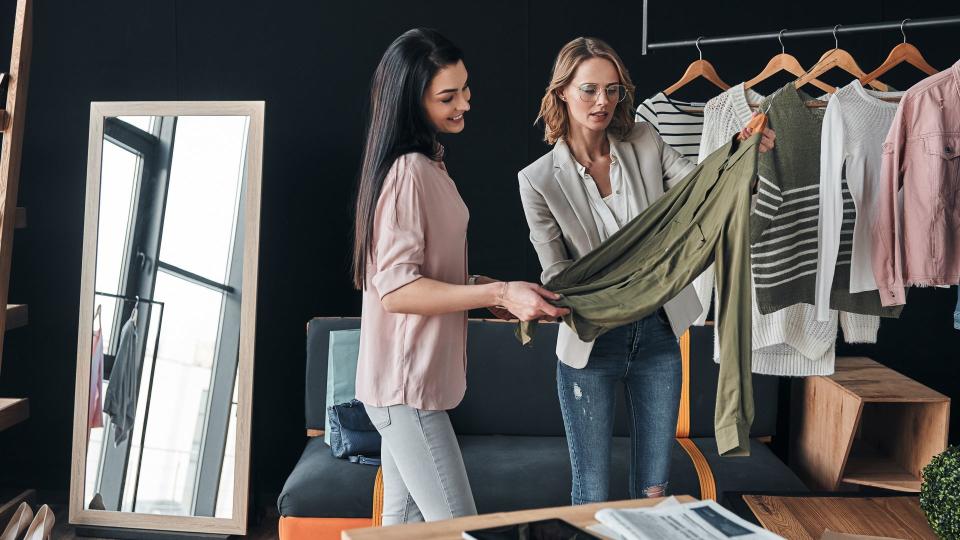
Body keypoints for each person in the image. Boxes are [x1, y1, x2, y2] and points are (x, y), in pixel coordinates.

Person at [518, 37, 775, 504]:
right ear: (561, 93)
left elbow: (702, 193)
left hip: (658, 331)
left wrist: (743, 156)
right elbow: (557, 273)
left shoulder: (644, 141)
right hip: (590, 343)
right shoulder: (536, 180)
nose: (603, 102)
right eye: (589, 90)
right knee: (591, 491)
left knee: (655, 490)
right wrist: (619, 283)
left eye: (613, 90)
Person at [351, 28, 568, 525]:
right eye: (448, 96)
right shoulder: (408, 171)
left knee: (401, 532)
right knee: (460, 528)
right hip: (406, 391)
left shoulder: (429, 165)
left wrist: (482, 291)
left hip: (408, 387)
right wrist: (496, 291)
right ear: (412, 101)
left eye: (465, 88)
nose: (465, 103)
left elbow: (422, 274)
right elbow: (398, 290)